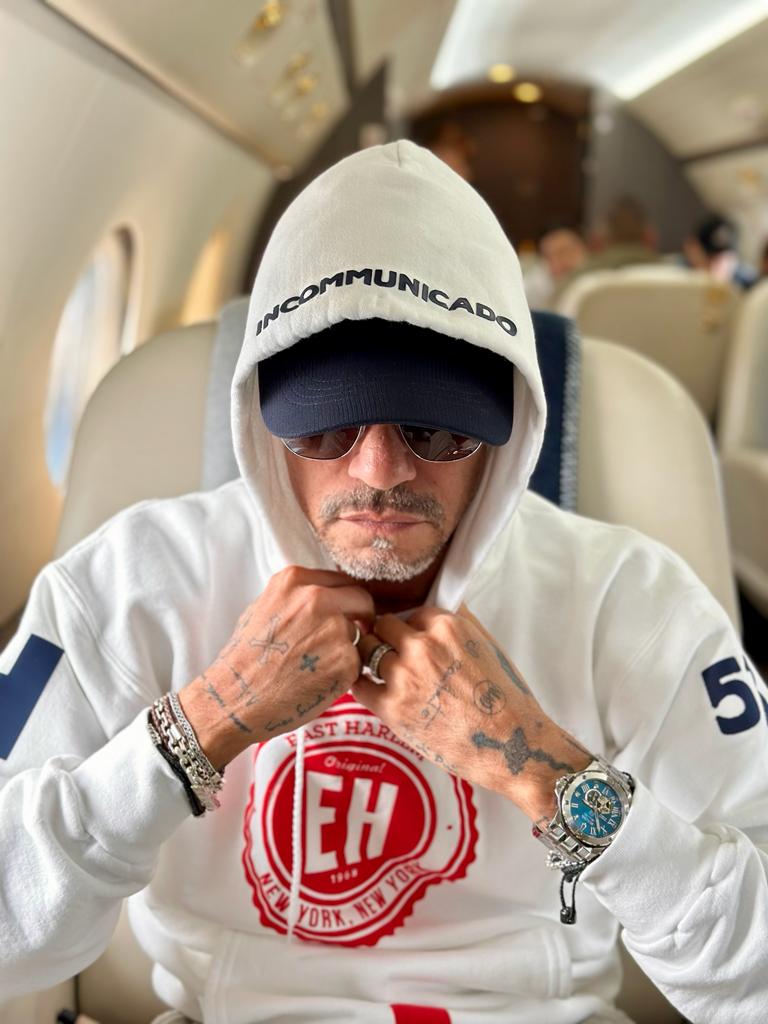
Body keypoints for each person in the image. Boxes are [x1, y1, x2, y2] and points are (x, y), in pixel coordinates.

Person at [1, 141, 767, 1024]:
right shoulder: (128, 584)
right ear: (262, 420)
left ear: (508, 429)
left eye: (435, 432)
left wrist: (550, 772)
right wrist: (202, 723)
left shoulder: (632, 603)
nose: (379, 473)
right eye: (324, 429)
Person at [683, 214, 757, 289]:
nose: (716, 266)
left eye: (723, 258)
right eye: (711, 258)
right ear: (693, 249)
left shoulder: (749, 281)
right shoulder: (681, 272)